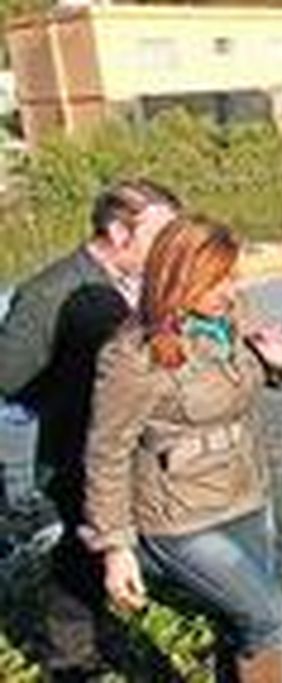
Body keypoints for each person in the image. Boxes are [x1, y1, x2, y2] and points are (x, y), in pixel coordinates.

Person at [80, 215, 282, 683]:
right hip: (180, 516)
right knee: (269, 619)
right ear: (176, 276)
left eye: (233, 275)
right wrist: (115, 546)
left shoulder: (233, 314)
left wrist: (281, 365)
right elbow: (106, 454)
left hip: (245, 492)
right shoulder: (131, 356)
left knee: (239, 621)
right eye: (215, 279)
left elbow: (242, 382)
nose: (229, 289)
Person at [0, 179, 180, 679]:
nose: (171, 249)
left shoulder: (141, 284)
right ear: (120, 232)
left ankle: (126, 610)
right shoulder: (47, 292)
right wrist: (79, 402)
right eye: (160, 235)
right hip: (80, 451)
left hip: (136, 447)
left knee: (129, 539)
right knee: (83, 549)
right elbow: (10, 376)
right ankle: (72, 659)